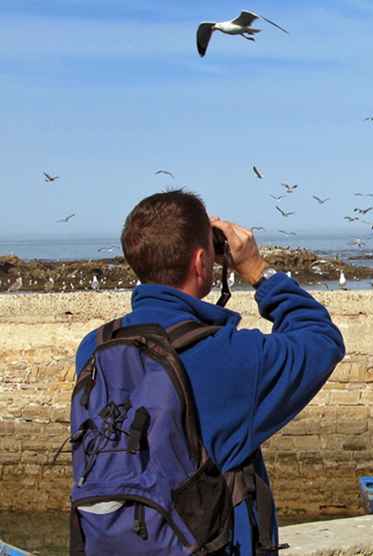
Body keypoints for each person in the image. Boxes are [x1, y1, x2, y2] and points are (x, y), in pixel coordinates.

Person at [74, 189, 345, 555]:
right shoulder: (227, 355)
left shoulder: (95, 347)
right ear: (202, 261)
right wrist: (256, 269)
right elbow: (320, 339)